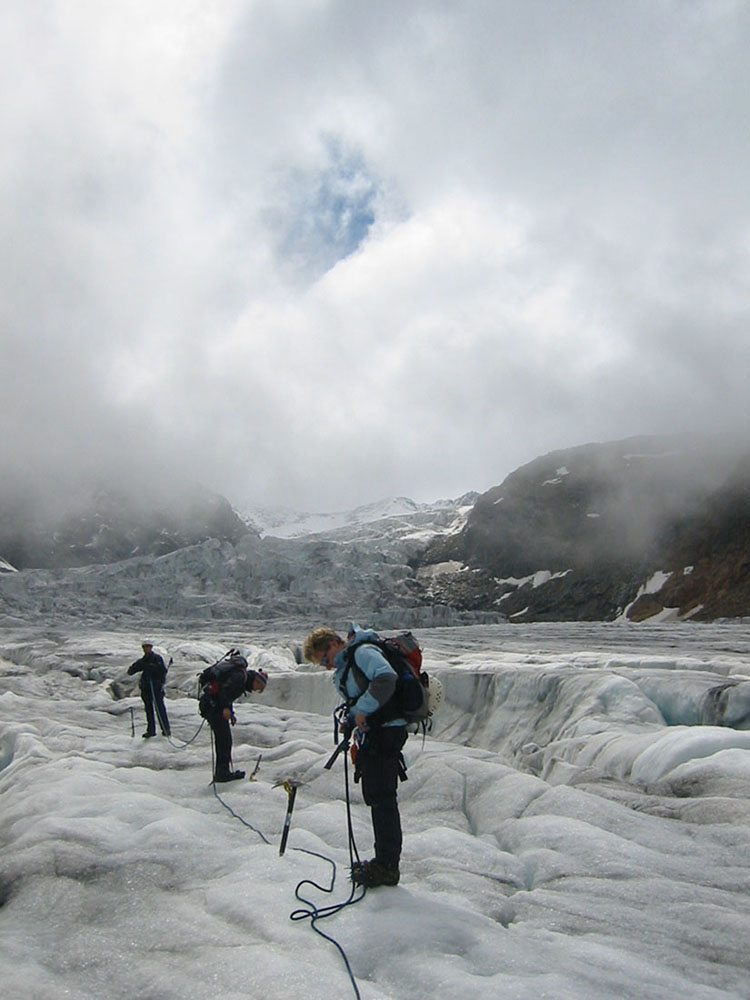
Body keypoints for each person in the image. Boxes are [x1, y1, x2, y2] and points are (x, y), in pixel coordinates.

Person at [303, 623, 408, 888]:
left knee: (382, 797)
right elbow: (363, 696)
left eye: (325, 659)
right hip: (376, 733)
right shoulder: (349, 663)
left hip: (387, 732)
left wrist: (361, 710)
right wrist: (351, 718)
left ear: (334, 643)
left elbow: (386, 678)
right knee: (376, 795)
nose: (327, 666)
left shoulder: (363, 653)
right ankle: (383, 861)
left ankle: (388, 867)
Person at [198, 651, 268, 783]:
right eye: (259, 687)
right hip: (212, 706)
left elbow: (227, 695)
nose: (256, 690)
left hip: (211, 705)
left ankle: (222, 772)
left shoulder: (241, 678)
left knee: (223, 739)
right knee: (224, 740)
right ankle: (222, 773)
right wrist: (225, 708)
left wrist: (231, 713)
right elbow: (224, 691)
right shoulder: (240, 677)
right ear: (257, 681)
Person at [128, 641, 170, 738]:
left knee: (160, 708)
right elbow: (131, 670)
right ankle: (151, 730)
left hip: (156, 688)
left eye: (148, 647)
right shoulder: (143, 660)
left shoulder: (157, 658)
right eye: (144, 647)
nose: (146, 649)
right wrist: (136, 668)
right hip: (146, 688)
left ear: (151, 648)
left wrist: (153, 668)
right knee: (148, 709)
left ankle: (166, 729)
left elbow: (163, 671)